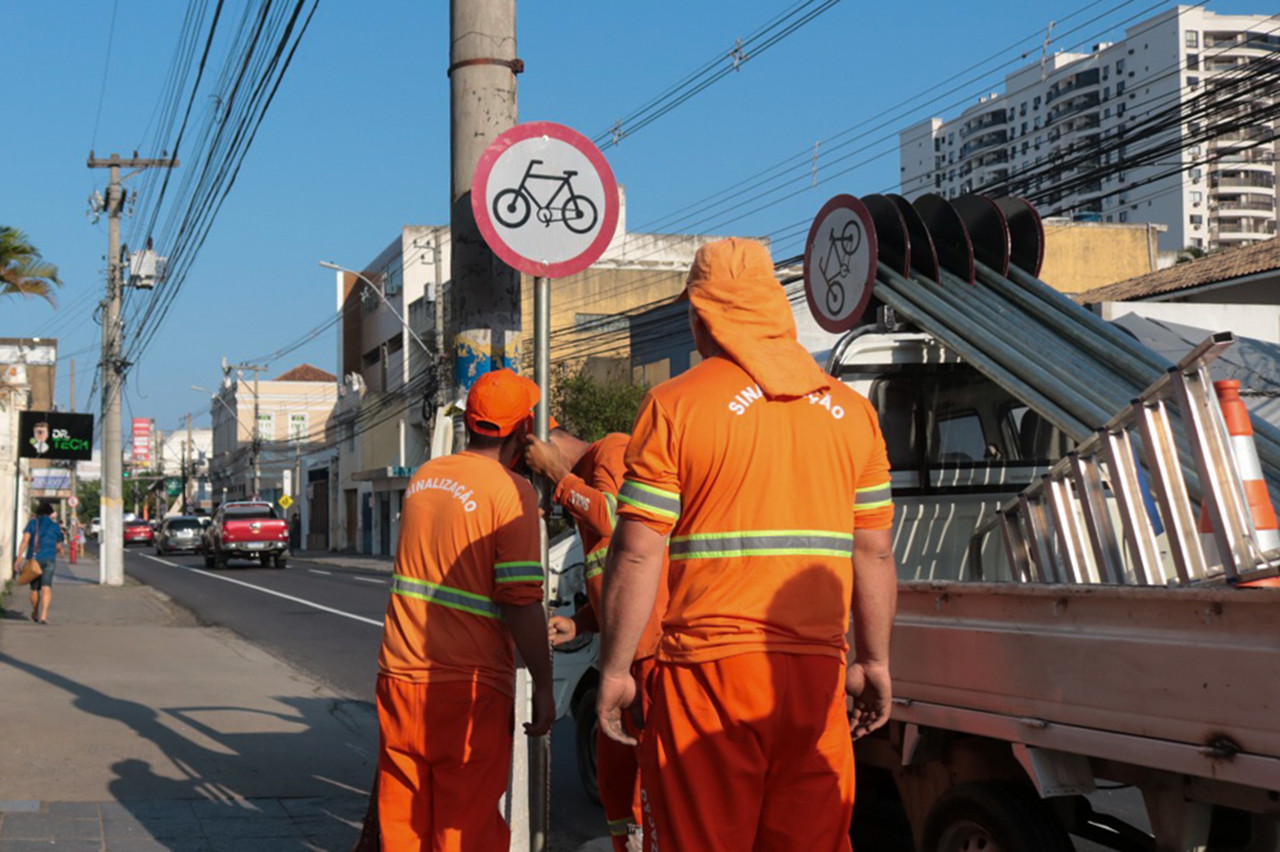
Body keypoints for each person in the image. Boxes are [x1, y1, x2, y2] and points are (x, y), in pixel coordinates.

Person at [597, 238, 898, 851]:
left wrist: (616, 667)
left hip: (709, 678)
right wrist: (873, 660)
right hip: (819, 674)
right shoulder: (851, 412)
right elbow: (874, 553)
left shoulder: (675, 405)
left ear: (702, 315)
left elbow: (636, 551)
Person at [375, 368, 555, 851]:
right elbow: (521, 602)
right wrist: (542, 683)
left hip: (399, 676)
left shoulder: (425, 477)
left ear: (471, 422)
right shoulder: (511, 493)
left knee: (403, 826)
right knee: (463, 830)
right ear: (524, 428)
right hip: (466, 687)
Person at [524, 426, 667, 851]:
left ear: (549, 442)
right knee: (614, 772)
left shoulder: (613, 450)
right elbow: (615, 576)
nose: (548, 487)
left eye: (541, 470)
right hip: (624, 645)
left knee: (645, 773)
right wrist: (582, 621)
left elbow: (613, 516)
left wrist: (559, 476)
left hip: (650, 649)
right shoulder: (589, 473)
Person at [16, 502, 66, 624]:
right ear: (50, 513)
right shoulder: (55, 526)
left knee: (34, 589)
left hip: (34, 560)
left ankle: (35, 612)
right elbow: (58, 545)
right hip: (49, 559)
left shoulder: (33, 523)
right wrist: (61, 552)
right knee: (46, 587)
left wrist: (19, 558)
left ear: (38, 512)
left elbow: (25, 541)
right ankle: (44, 616)